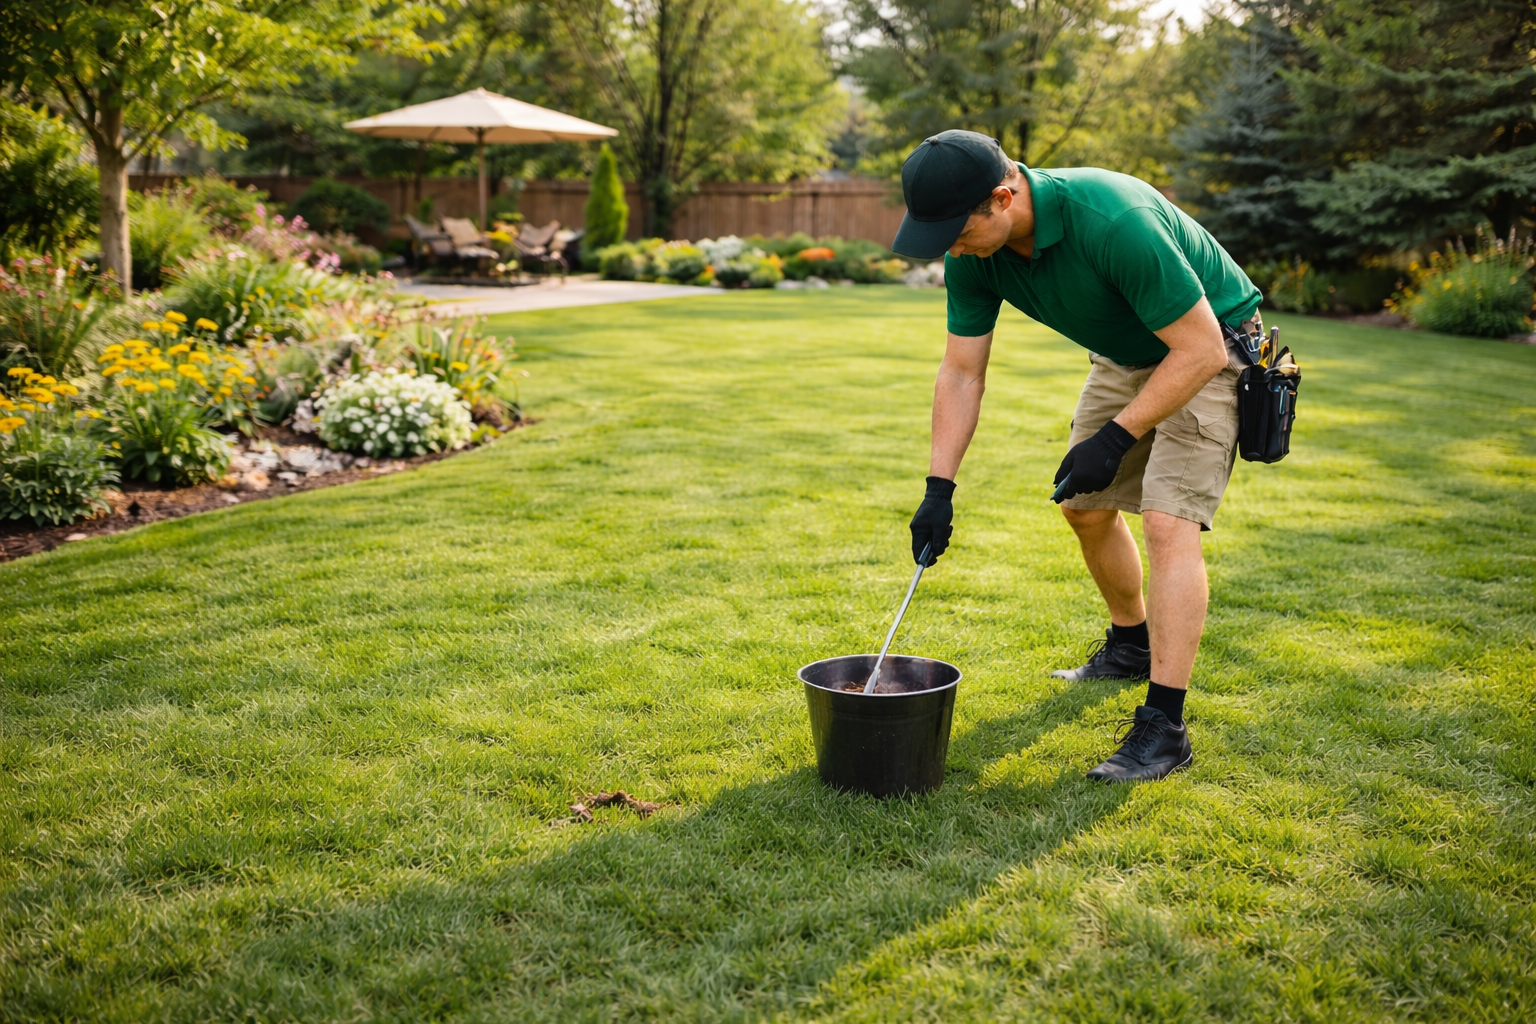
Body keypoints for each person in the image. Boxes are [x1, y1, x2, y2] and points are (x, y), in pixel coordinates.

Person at [894, 130, 1262, 783]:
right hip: (1127, 354)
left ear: (1003, 197)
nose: (950, 247)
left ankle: (1164, 728)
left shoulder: (1112, 218)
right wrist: (938, 487)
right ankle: (1130, 644)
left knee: (1167, 522)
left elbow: (1201, 350)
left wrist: (1117, 438)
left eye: (956, 230)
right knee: (1083, 507)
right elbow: (961, 373)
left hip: (1211, 346)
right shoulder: (974, 255)